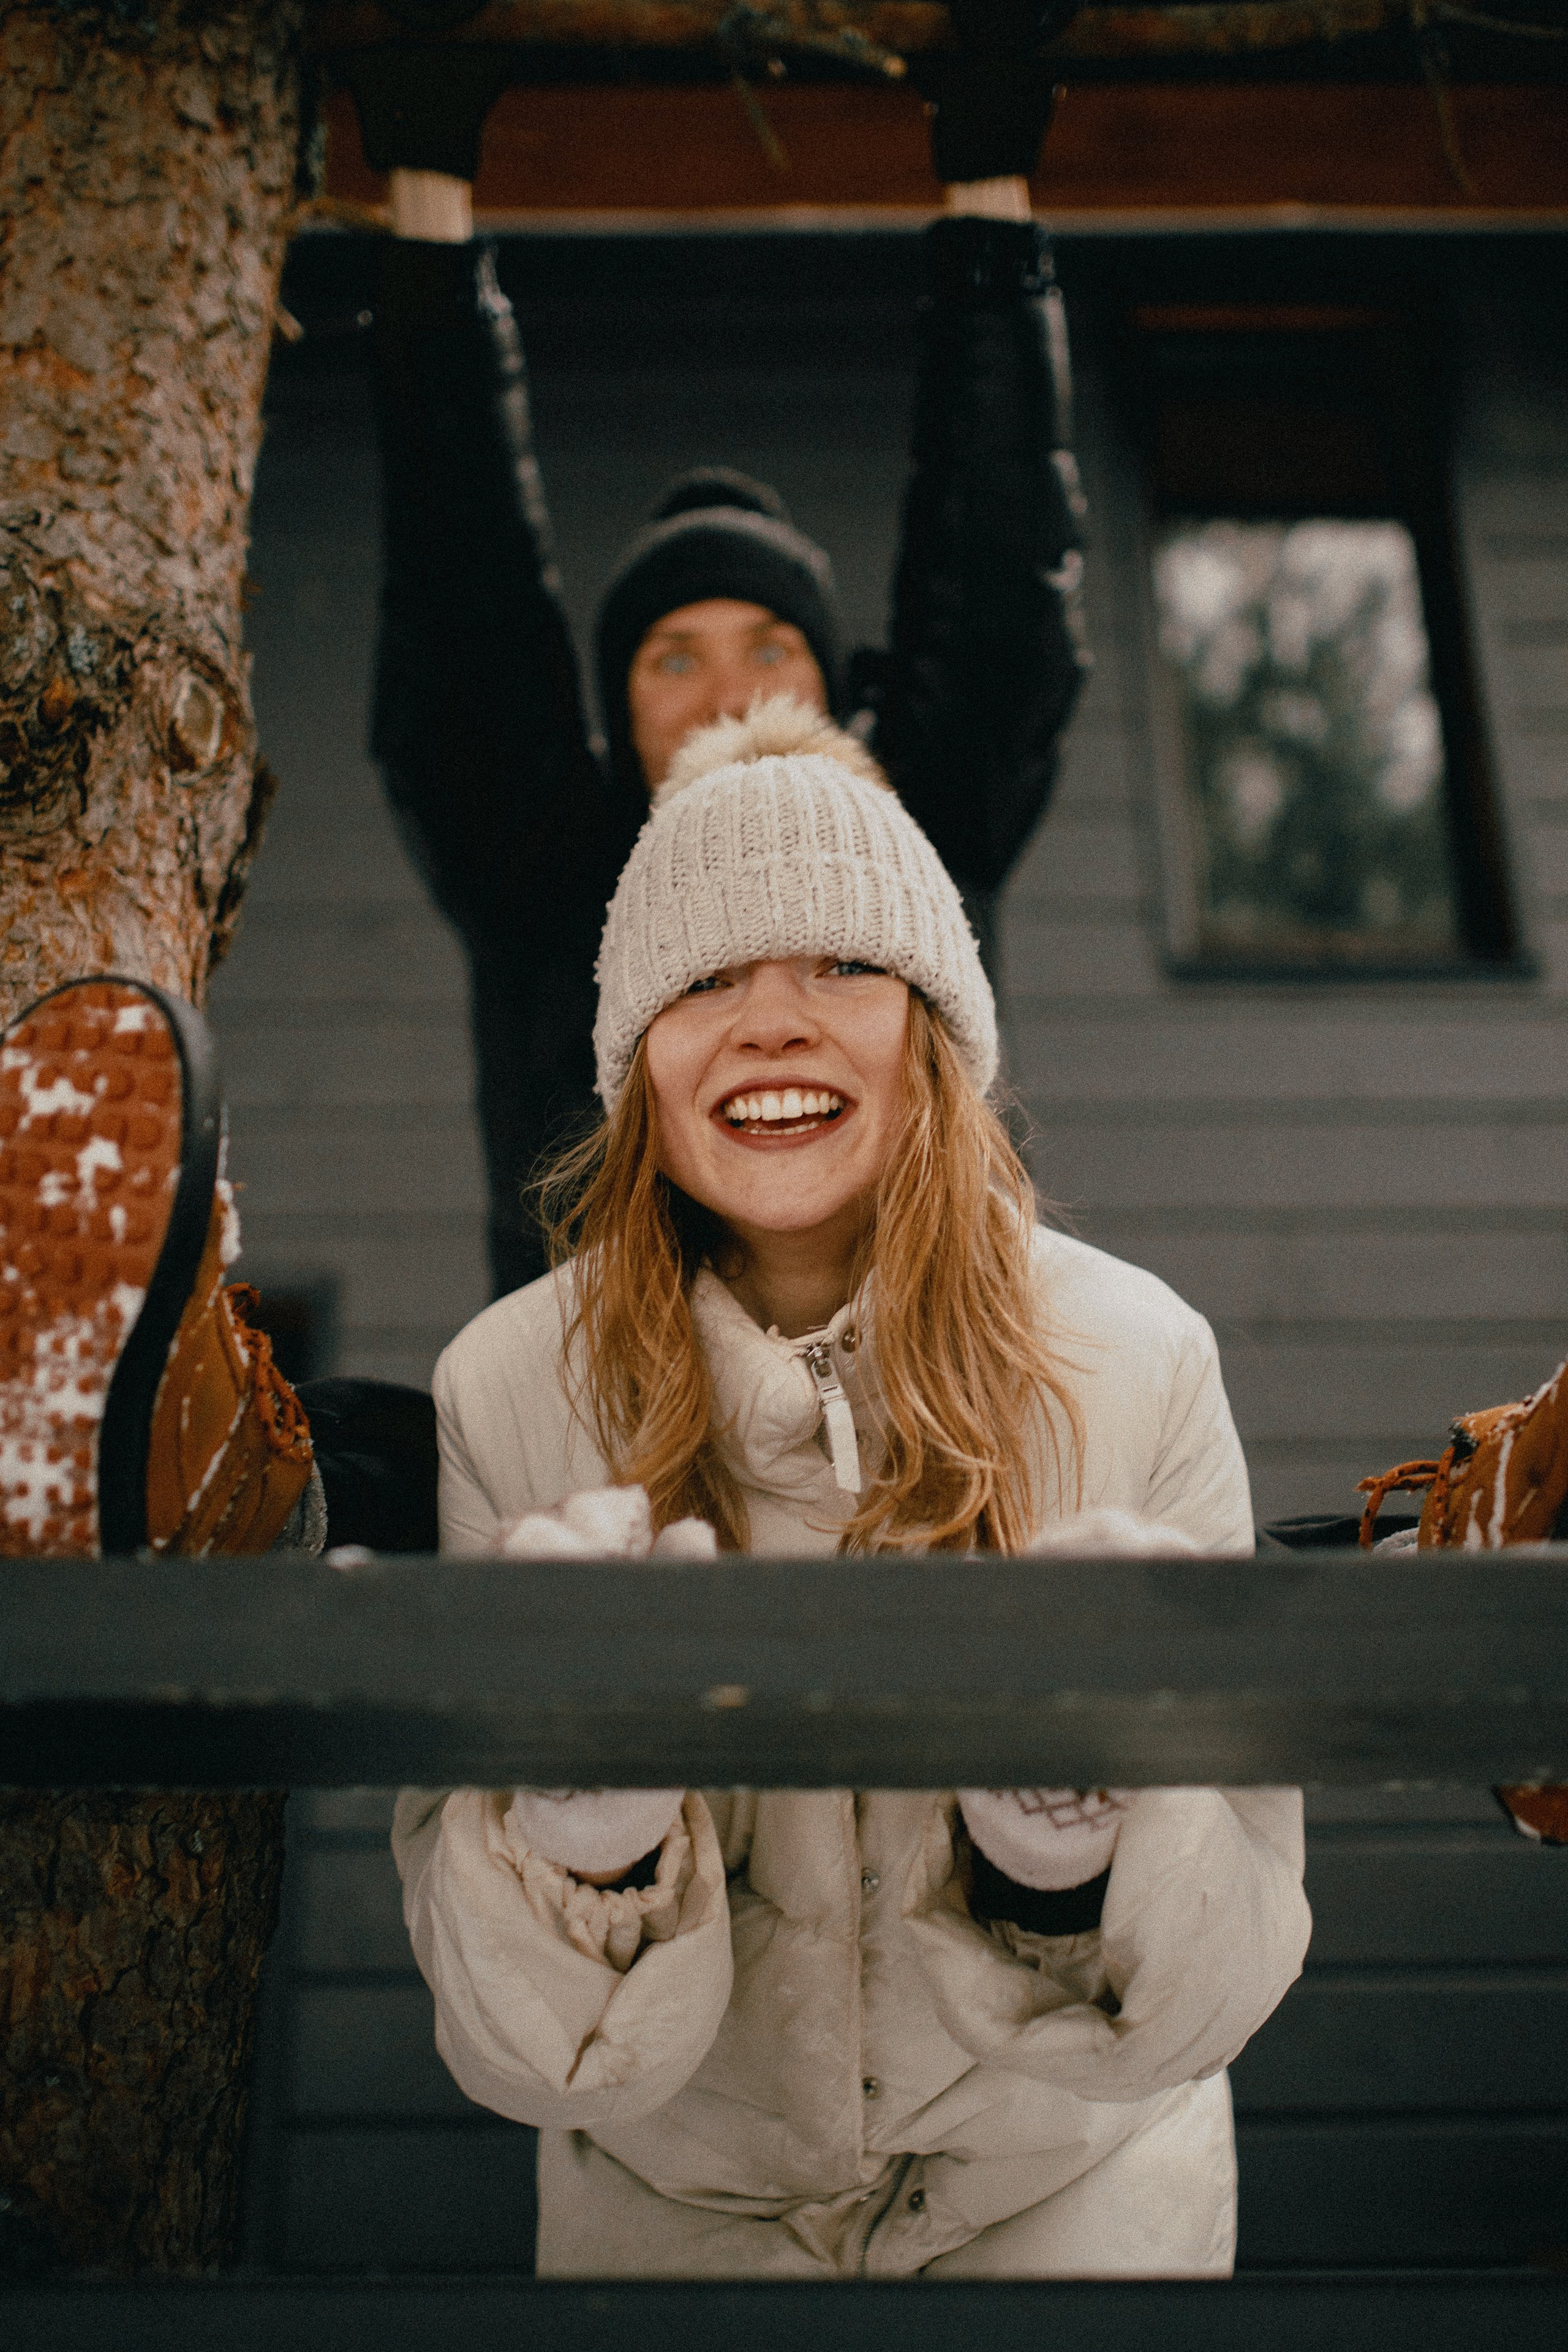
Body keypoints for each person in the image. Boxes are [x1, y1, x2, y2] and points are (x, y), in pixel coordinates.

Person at [394, 699, 1311, 2279]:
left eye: (839, 963)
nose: (770, 1022)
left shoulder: (1137, 1355)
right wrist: (585, 1837)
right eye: (704, 977)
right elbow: (508, 2051)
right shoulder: (507, 1387)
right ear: (635, 1061)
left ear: (936, 1033)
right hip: (674, 2224)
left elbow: (1226, 1968)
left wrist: (1059, 1856)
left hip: (1068, 2204)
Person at [355, 11, 1090, 1297]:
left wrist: (988, 191)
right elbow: (459, 599)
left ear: (834, 692)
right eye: (672, 660)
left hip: (923, 1396)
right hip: (605, 1426)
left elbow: (995, 582)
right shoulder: (545, 870)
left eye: (768, 647)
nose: (732, 691)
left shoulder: (916, 845)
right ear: (612, 714)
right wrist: (427, 193)